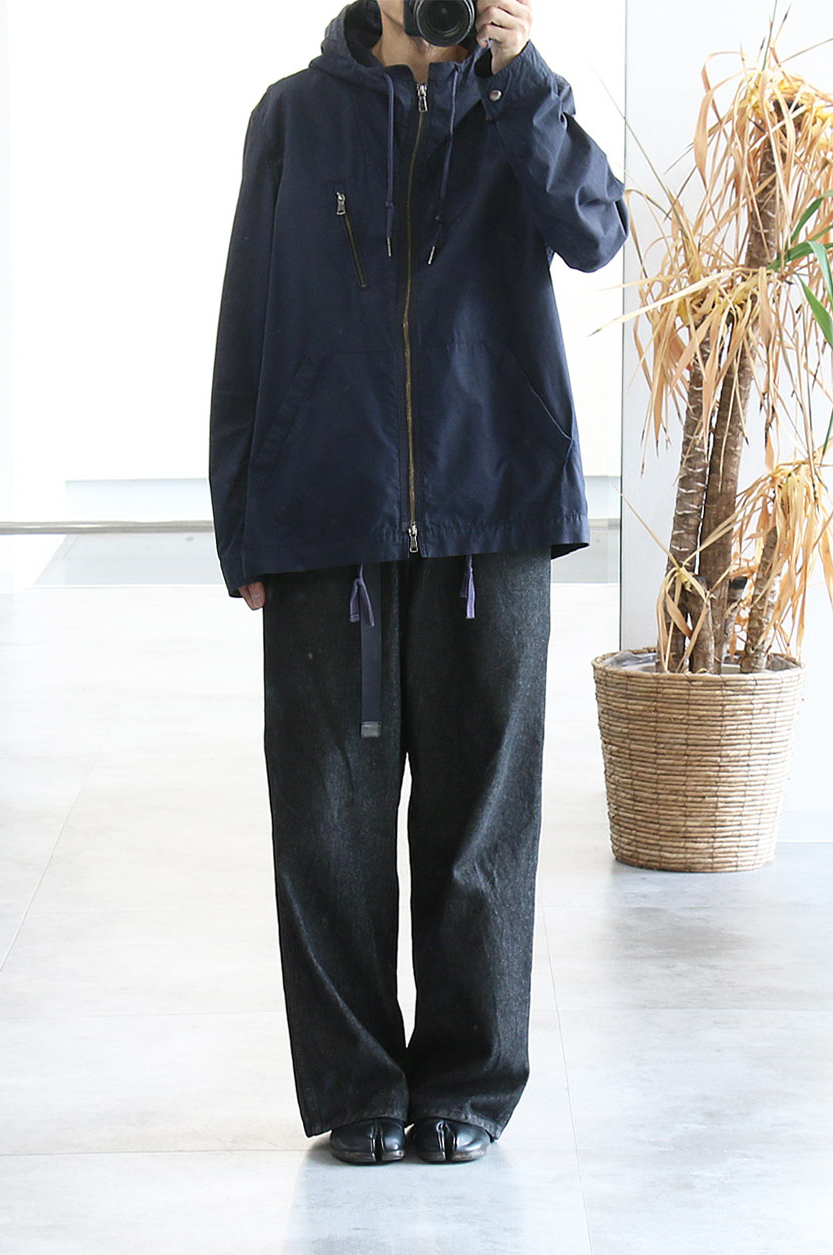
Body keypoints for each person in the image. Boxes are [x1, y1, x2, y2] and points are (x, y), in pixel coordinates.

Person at [208, 0, 627, 1164]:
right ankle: (356, 1088)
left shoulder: (515, 106)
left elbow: (596, 232)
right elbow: (247, 317)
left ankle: (468, 1085)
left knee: (479, 819)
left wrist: (521, 78)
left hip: (493, 508)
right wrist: (244, 522)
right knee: (327, 821)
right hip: (324, 517)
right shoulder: (292, 118)